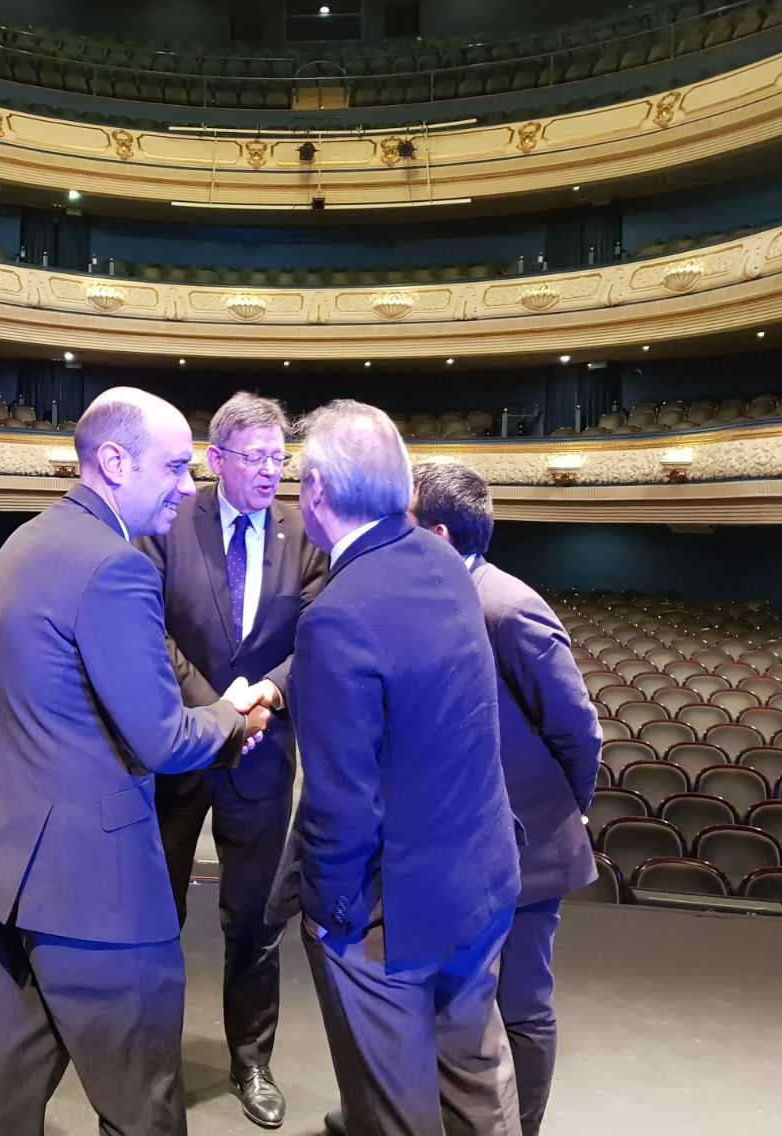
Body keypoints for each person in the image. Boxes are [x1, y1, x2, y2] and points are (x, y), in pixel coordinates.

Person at [0, 386, 269, 1136]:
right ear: (114, 462)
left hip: (10, 870)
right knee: (143, 1106)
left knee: (6, 1097)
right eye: (178, 466)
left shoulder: (24, 540)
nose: (190, 486)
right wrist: (231, 713)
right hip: (95, 885)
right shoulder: (116, 567)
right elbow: (161, 739)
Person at [268, 401, 522, 1136]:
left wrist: (330, 921)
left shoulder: (337, 615)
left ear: (316, 492)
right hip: (480, 880)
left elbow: (340, 807)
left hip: (391, 919)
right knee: (475, 1078)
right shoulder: (442, 559)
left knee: (394, 1112)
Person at [137, 392, 328, 1130]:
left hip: (262, 751)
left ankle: (251, 1059)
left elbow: (314, 631)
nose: (269, 473)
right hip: (180, 744)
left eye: (279, 459)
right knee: (159, 911)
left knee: (252, 920)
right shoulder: (169, 520)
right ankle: (151, 1057)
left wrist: (265, 704)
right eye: (254, 459)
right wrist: (219, 710)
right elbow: (149, 625)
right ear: (215, 460)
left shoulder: (303, 529)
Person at [410, 462, 601, 1136]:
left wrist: (562, 814)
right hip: (455, 841)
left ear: (435, 531)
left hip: (525, 843)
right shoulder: (428, 603)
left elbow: (579, 729)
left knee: (521, 1003)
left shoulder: (509, 606)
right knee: (453, 999)